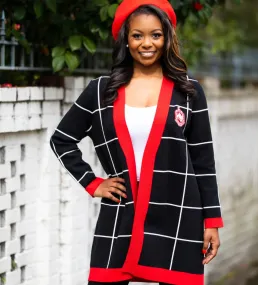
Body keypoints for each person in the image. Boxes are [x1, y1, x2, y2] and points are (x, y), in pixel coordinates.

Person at [50, 0, 224, 284]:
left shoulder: (189, 92)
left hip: (178, 212)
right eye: (137, 35)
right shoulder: (100, 91)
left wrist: (212, 222)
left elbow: (203, 160)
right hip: (121, 211)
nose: (147, 43)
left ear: (167, 38)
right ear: (126, 40)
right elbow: (62, 140)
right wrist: (93, 184)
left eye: (156, 34)